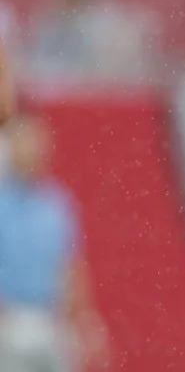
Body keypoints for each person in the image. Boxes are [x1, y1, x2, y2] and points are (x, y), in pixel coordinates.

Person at [0, 115, 109, 372]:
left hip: (52, 320)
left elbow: (70, 265)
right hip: (10, 319)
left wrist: (83, 319)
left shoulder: (57, 204)